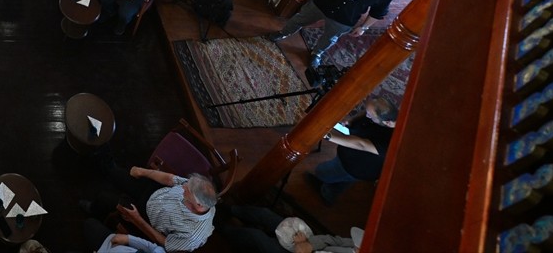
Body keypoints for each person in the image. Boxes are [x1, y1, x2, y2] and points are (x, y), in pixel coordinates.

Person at [270, 0, 399, 70]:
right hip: (320, 5)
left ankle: (317, 53)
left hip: (344, 19)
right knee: (298, 19)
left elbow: (377, 13)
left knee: (329, 38)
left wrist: (363, 27)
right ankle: (283, 33)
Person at [82, 165, 217, 251]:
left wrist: (137, 219)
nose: (183, 186)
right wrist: (143, 172)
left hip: (145, 217)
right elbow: (171, 179)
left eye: (187, 190)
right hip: (154, 192)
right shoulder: (195, 190)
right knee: (116, 173)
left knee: (105, 198)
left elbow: (165, 243)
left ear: (199, 205)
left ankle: (94, 209)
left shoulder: (192, 236)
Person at [311, 98, 398, 205]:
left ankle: (326, 192)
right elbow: (366, 112)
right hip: (352, 156)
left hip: (356, 166)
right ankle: (331, 192)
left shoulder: (390, 143)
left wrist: (327, 135)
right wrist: (352, 119)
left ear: (387, 123)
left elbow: (361, 144)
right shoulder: (389, 116)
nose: (367, 116)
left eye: (370, 115)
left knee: (322, 171)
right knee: (342, 182)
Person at [215, 204, 362, 253]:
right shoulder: (357, 245)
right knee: (264, 214)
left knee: (255, 236)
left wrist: (301, 248)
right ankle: (229, 209)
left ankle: (220, 228)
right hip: (307, 244)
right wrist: (309, 244)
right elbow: (332, 240)